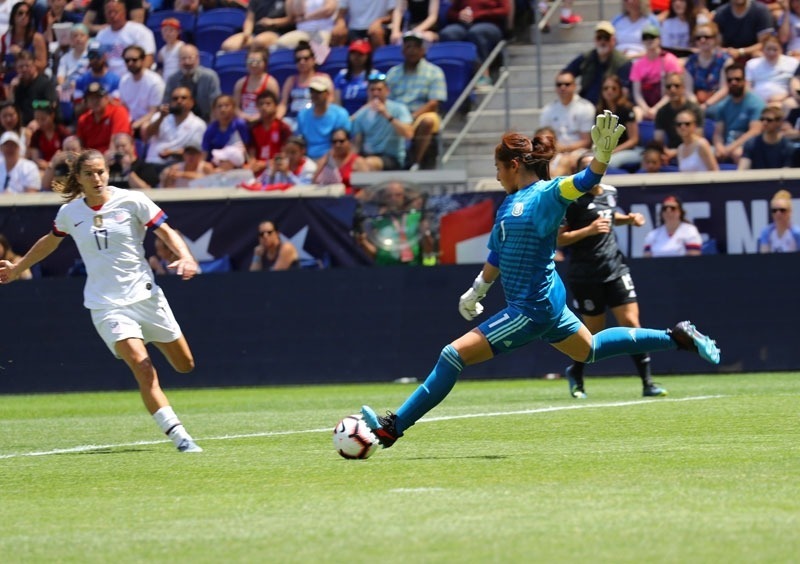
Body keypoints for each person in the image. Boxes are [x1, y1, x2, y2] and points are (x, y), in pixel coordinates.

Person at [359, 112, 721, 449]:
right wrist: (477, 290)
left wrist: (603, 155)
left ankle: (393, 428)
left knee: (451, 356)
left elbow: (586, 180)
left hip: (530, 308)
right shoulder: (508, 203)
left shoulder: (548, 194)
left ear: (514, 165)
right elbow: (497, 255)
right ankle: (678, 337)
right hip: (543, 301)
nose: (497, 175)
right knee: (589, 350)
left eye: (498, 168)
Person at [0, 149, 203, 452]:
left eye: (101, 172)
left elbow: (166, 232)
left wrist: (186, 255)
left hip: (147, 298)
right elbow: (49, 242)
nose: (97, 178)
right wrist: (18, 269)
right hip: (106, 305)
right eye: (90, 174)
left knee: (185, 365)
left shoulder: (133, 200)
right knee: (142, 366)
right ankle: (180, 437)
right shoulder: (70, 213)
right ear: (78, 179)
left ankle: (146, 337)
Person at [558, 152, 665, 398]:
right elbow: (559, 238)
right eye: (586, 169)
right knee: (592, 335)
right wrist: (588, 230)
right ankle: (576, 373)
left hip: (615, 268)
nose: (592, 173)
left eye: (596, 168)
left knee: (632, 324)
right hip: (586, 274)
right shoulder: (571, 200)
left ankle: (648, 383)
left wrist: (627, 220)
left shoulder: (610, 192)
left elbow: (608, 215)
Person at [385, 31, 447, 170]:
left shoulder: (434, 71)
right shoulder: (393, 73)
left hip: (421, 113)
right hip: (397, 115)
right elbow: (387, 100)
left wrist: (411, 117)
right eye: (408, 47)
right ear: (402, 50)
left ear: (422, 50)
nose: (411, 50)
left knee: (428, 121)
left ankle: (415, 162)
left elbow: (434, 102)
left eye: (415, 47)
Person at [354, 180, 435, 265]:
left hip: (413, 270)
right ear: (384, 199)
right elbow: (374, 255)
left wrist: (426, 234)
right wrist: (363, 242)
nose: (394, 199)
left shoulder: (417, 218)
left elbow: (429, 250)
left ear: (404, 197)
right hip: (385, 270)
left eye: (398, 195)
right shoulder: (377, 221)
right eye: (389, 196)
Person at [350, 71, 413, 171]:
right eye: (372, 90)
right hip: (367, 155)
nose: (375, 93)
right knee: (354, 163)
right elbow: (357, 143)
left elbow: (408, 134)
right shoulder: (362, 114)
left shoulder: (399, 109)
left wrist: (386, 115)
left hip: (391, 158)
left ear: (387, 91)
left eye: (379, 90)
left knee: (368, 163)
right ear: (368, 92)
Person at [562, 20, 632, 106]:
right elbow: (565, 74)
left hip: (611, 108)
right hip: (586, 107)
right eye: (599, 37)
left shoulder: (623, 63)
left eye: (606, 38)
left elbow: (625, 92)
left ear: (613, 40)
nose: (602, 41)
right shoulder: (585, 58)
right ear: (595, 40)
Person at [709, 63, 766, 164]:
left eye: (737, 79)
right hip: (727, 145)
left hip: (747, 146)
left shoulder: (756, 103)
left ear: (744, 81)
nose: (733, 82)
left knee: (738, 153)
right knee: (704, 153)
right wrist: (719, 147)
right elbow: (718, 133)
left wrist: (730, 148)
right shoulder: (722, 105)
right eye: (730, 80)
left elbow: (754, 132)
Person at [144, 86, 207, 170]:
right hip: (153, 162)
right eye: (175, 98)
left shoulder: (198, 124)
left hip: (178, 167)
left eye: (183, 98)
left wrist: (172, 153)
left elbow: (194, 151)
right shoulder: (159, 116)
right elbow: (147, 134)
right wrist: (161, 118)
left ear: (192, 102)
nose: (179, 101)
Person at [277, 40, 334, 130]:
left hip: (315, 118)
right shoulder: (291, 80)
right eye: (298, 60)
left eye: (306, 58)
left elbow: (330, 101)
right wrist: (276, 120)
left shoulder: (323, 78)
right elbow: (283, 104)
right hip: (293, 119)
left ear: (313, 60)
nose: (302, 62)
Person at [629, 25, 683, 120]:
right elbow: (637, 93)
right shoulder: (637, 65)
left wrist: (657, 108)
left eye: (652, 37)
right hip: (645, 105)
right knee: (634, 114)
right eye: (645, 38)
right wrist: (646, 109)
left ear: (659, 39)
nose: (649, 40)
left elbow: (673, 88)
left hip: (667, 103)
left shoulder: (669, 59)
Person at [539, 70, 595, 158]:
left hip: (579, 152)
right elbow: (544, 136)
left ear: (574, 86)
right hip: (554, 152)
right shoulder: (547, 110)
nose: (563, 87)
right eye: (559, 84)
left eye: (567, 84)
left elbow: (586, 141)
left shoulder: (586, 107)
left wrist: (564, 149)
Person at [94, 0, 156, 78]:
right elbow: (96, 61)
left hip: (134, 78)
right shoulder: (101, 35)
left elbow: (148, 59)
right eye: (109, 12)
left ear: (124, 12)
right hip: (109, 82)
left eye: (116, 12)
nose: (112, 15)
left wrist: (134, 79)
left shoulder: (140, 31)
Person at [295, 76, 351, 160]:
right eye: (312, 91)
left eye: (318, 92)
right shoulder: (302, 115)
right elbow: (300, 140)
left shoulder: (340, 114)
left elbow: (344, 143)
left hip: (334, 158)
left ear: (327, 94)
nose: (314, 95)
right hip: (308, 159)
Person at [162, 44, 221, 123]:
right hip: (179, 121)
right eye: (183, 58)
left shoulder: (210, 77)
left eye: (190, 58)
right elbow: (166, 105)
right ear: (178, 61)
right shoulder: (172, 79)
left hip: (206, 121)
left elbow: (216, 106)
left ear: (197, 59)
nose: (187, 62)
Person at [653, 72, 704, 162]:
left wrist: (676, 152)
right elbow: (658, 140)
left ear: (683, 88)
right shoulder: (661, 112)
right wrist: (665, 152)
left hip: (692, 150)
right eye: (669, 87)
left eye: (676, 86)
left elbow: (698, 139)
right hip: (669, 152)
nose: (672, 89)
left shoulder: (695, 110)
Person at [683, 21, 732, 109]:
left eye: (707, 37)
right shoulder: (690, 61)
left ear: (715, 39)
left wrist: (706, 105)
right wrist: (696, 106)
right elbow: (688, 91)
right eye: (698, 38)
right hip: (696, 105)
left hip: (719, 104)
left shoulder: (725, 60)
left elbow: (724, 89)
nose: (702, 40)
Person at [118, 44, 165, 135]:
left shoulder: (155, 81)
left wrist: (136, 124)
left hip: (149, 121)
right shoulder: (124, 80)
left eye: (134, 60)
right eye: (127, 60)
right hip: (130, 120)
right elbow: (124, 107)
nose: (130, 63)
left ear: (143, 60)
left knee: (144, 127)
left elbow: (154, 111)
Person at [596, 75, 641, 169]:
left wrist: (613, 151)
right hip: (606, 151)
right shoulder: (599, 111)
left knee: (607, 163)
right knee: (585, 160)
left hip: (629, 151)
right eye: (606, 88)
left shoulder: (626, 109)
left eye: (613, 88)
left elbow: (634, 140)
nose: (609, 91)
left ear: (619, 90)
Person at [75, 81, 132, 153]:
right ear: (86, 102)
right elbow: (80, 145)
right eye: (91, 98)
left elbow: (116, 144)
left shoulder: (118, 112)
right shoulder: (83, 119)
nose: (95, 101)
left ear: (107, 98)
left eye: (98, 97)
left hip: (116, 158)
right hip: (91, 160)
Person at [745, 34, 799, 108]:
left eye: (775, 49)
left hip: (782, 101)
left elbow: (795, 85)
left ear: (781, 49)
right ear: (763, 49)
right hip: (757, 102)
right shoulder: (752, 64)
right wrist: (757, 100)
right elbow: (747, 87)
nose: (771, 53)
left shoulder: (793, 63)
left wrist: (784, 97)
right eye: (768, 49)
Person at [248, 89, 292, 176]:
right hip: (258, 167)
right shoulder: (253, 128)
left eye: (268, 104)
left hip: (277, 167)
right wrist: (252, 163)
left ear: (276, 106)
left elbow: (285, 154)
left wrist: (265, 164)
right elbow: (251, 152)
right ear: (257, 107)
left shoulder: (283, 127)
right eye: (261, 104)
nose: (264, 107)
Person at [220, 0, 293, 52]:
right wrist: (247, 33)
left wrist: (272, 22)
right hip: (256, 32)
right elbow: (249, 20)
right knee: (228, 45)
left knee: (259, 42)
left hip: (277, 32)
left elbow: (291, 19)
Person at [232, 47, 280, 124]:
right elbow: (235, 107)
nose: (253, 64)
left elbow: (274, 107)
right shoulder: (240, 83)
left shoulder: (270, 83)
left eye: (257, 62)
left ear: (265, 63)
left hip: (263, 120)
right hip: (244, 120)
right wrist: (243, 116)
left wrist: (258, 117)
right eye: (250, 61)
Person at [739, 105, 795, 169]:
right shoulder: (751, 143)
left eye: (769, 120)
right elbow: (743, 169)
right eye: (762, 119)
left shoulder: (787, 146)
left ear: (779, 122)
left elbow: (786, 172)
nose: (764, 123)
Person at [312, 127, 367, 191]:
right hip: (328, 197)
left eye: (341, 141)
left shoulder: (358, 162)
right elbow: (313, 182)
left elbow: (366, 189)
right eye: (334, 142)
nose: (337, 145)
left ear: (349, 142)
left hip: (349, 198)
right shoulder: (325, 160)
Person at [333, 38, 374, 115]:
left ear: (367, 56)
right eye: (353, 53)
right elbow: (337, 104)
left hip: (366, 117)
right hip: (344, 118)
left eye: (360, 54)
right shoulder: (341, 75)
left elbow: (372, 103)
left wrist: (354, 118)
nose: (356, 57)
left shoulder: (374, 76)